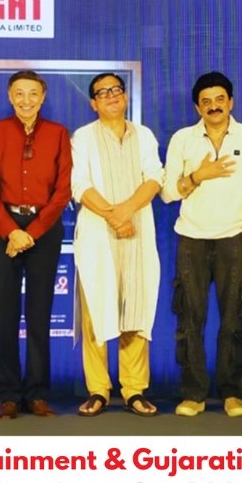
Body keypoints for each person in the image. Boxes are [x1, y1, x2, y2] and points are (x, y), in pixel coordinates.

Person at [161, 71, 242, 417]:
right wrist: (198, 176)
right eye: (205, 101)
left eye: (219, 99)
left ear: (231, 102)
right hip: (191, 238)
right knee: (189, 320)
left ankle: (232, 392)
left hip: (233, 239)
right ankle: (193, 393)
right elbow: (167, 193)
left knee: (235, 318)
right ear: (197, 107)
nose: (213, 106)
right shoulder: (183, 139)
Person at [0, 70, 72, 419]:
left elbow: (63, 190)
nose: (26, 100)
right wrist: (10, 231)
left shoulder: (58, 134)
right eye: (19, 93)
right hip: (3, 228)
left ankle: (37, 393)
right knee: (4, 313)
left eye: (33, 93)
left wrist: (32, 231)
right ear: (10, 96)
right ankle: (9, 394)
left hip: (43, 229)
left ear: (43, 97)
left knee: (39, 312)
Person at [71, 73, 164, 417]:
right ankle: (98, 389)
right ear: (93, 103)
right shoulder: (83, 137)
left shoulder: (144, 135)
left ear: (125, 97)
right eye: (102, 93)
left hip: (137, 232)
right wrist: (114, 217)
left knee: (136, 308)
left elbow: (155, 177)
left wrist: (125, 212)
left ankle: (134, 389)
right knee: (97, 310)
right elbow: (79, 184)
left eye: (116, 90)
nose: (111, 96)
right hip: (99, 234)